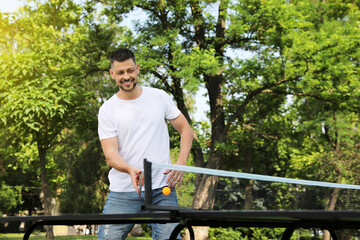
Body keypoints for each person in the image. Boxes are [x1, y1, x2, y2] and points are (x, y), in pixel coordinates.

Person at [97, 48, 194, 240]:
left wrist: (180, 163)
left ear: (137, 69)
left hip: (162, 189)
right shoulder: (107, 110)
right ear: (112, 74)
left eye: (130, 71)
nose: (126, 76)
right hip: (122, 191)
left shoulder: (159, 97)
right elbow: (110, 154)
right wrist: (129, 169)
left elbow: (186, 130)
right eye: (120, 72)